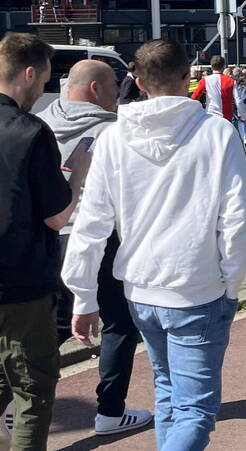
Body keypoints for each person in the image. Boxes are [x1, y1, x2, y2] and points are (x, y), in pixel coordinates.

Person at [62, 38, 246, 450]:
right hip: (197, 287)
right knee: (195, 409)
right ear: (188, 76)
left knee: (168, 390)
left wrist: (83, 296)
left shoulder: (112, 138)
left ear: (136, 81)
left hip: (140, 288)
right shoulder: (216, 133)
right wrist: (231, 284)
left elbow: (91, 223)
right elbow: (235, 220)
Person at [39, 60, 154, 437]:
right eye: (114, 85)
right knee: (119, 323)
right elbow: (129, 194)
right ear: (95, 89)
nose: (118, 91)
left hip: (47, 236)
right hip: (97, 237)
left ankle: (17, 399)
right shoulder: (114, 131)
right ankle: (109, 412)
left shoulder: (42, 122)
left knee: (51, 326)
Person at [0, 33, 85, 450]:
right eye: (45, 80)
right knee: (33, 388)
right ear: (30, 73)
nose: (43, 91)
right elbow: (56, 216)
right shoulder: (31, 130)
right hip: (20, 280)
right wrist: (79, 175)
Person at [191, 55, 246, 122]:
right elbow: (238, 100)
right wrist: (242, 116)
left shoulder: (205, 80)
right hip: (226, 118)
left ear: (211, 66)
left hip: (210, 117)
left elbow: (194, 98)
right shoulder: (231, 81)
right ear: (223, 66)